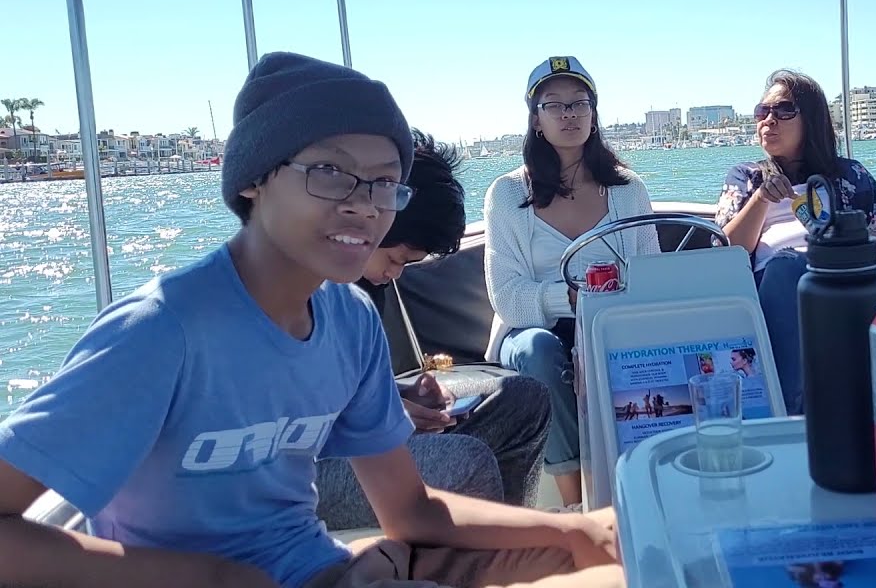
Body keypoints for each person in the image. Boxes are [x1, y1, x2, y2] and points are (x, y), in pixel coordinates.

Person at [0, 52, 621, 588]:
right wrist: (209, 577)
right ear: (253, 181)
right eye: (329, 172)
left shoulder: (347, 318)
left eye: (385, 183)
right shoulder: (160, 332)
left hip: (328, 570)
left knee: (625, 567)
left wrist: (581, 531)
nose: (364, 204)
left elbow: (413, 510)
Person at [315, 129, 552, 523]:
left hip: (357, 434)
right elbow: (277, 420)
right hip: (299, 471)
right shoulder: (294, 284)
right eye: (397, 258)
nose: (394, 275)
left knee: (524, 398)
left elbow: (343, 389)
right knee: (465, 462)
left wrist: (400, 394)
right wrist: (383, 413)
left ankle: (509, 550)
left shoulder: (363, 286)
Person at [484, 55, 660, 507]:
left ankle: (650, 480)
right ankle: (576, 501)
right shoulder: (507, 194)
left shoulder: (629, 189)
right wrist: (571, 299)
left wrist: (602, 316)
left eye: (579, 104)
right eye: (554, 105)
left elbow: (652, 276)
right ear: (536, 120)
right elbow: (507, 298)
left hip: (610, 324)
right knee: (540, 351)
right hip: (532, 331)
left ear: (594, 114)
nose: (569, 115)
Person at [715, 69, 876, 414]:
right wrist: (761, 199)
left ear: (811, 119)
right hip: (774, 282)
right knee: (787, 266)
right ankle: (790, 411)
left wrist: (845, 245)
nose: (769, 120)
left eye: (784, 111)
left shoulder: (848, 175)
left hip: (840, 276)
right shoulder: (746, 177)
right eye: (762, 112)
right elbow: (728, 250)